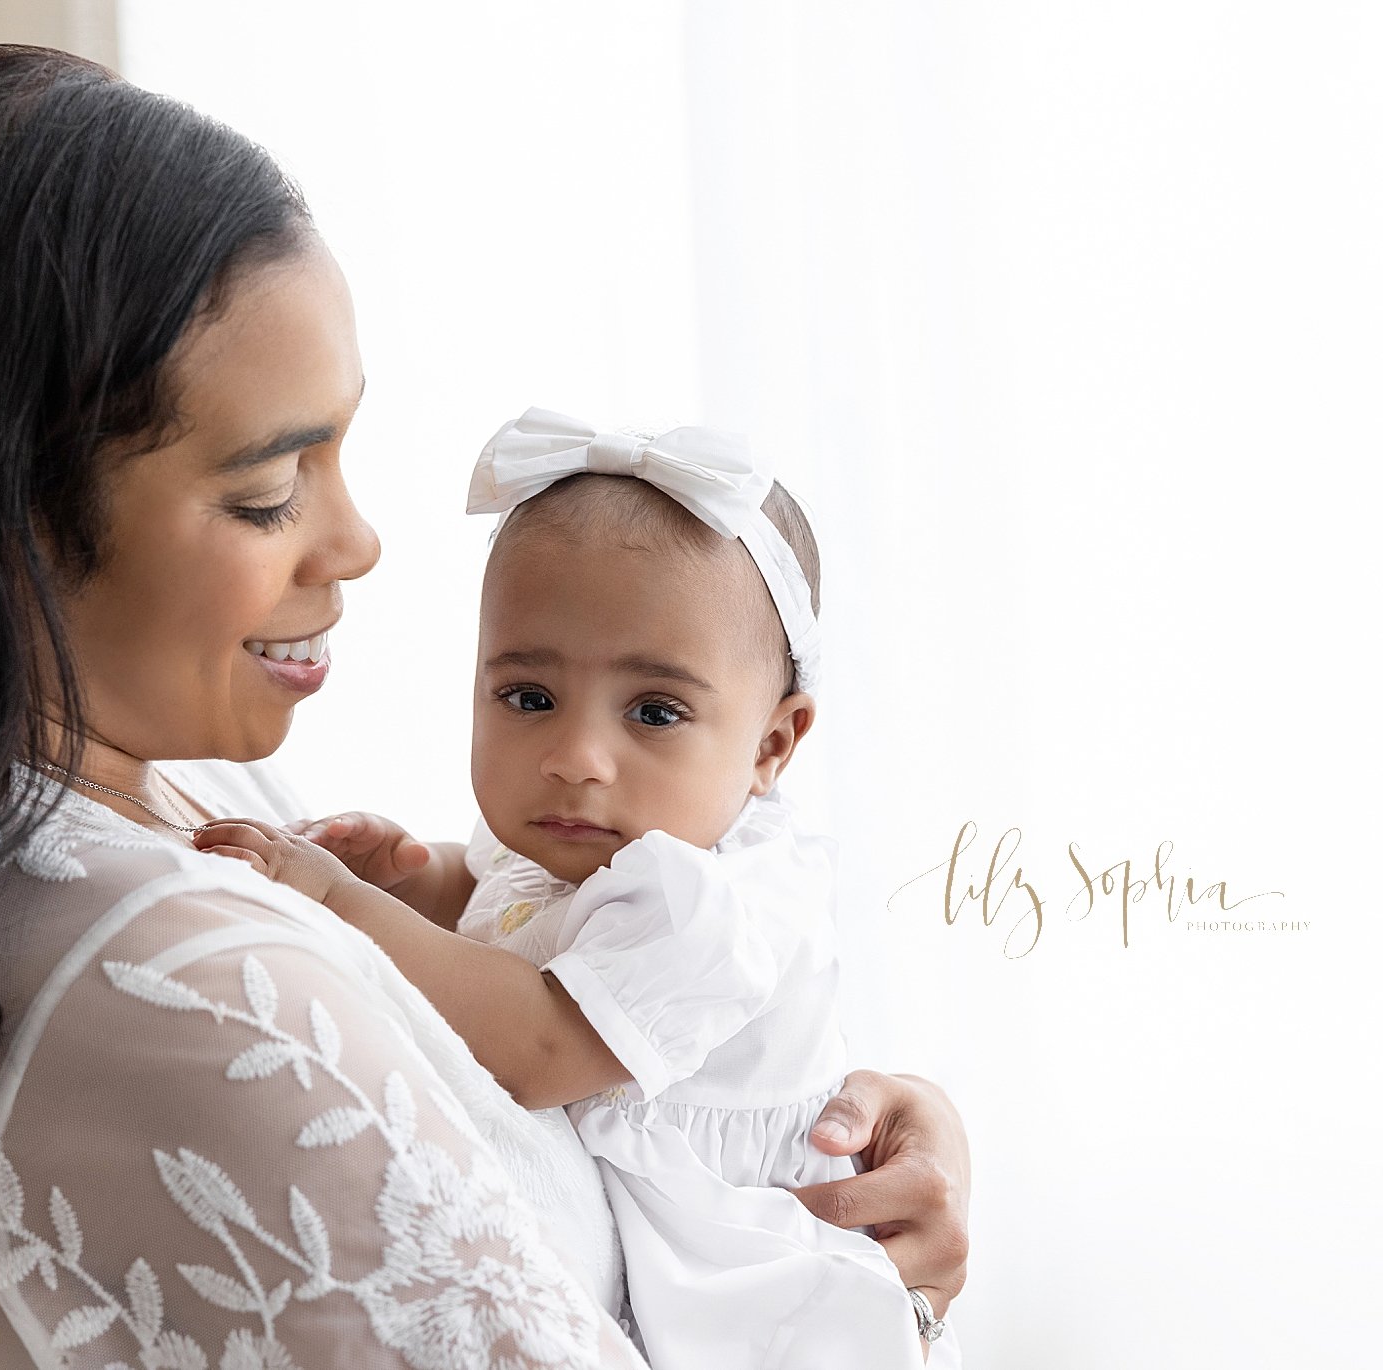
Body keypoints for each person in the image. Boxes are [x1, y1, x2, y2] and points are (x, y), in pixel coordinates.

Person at [0, 45, 970, 1368]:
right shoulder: (179, 973)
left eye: (343, 455)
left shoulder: (126, 813)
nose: (355, 544)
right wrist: (881, 1300)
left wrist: (808, 1136)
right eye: (273, 490)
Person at [194, 407, 958, 1365]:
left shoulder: (707, 906)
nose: (575, 757)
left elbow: (536, 1039)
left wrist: (346, 904)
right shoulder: (588, 841)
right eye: (528, 698)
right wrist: (411, 875)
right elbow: (503, 909)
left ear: (772, 745)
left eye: (654, 711)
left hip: (747, 1293)